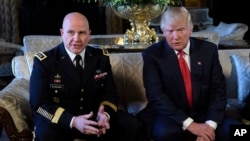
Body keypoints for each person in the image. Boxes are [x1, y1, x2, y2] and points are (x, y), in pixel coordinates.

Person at [29, 12, 139, 141]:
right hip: (61, 122)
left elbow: (110, 94)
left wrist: (105, 115)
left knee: (130, 123)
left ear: (89, 34)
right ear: (62, 33)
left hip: (93, 118)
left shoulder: (101, 57)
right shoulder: (45, 62)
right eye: (71, 32)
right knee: (46, 134)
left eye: (82, 33)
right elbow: (39, 104)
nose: (76, 38)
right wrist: (73, 121)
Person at [137, 7, 242, 141]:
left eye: (181, 30)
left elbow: (218, 90)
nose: (175, 36)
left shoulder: (208, 51)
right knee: (166, 133)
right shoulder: (153, 55)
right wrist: (191, 125)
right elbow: (156, 96)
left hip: (205, 115)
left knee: (241, 132)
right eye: (170, 31)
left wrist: (210, 126)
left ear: (190, 29)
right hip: (169, 116)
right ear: (163, 31)